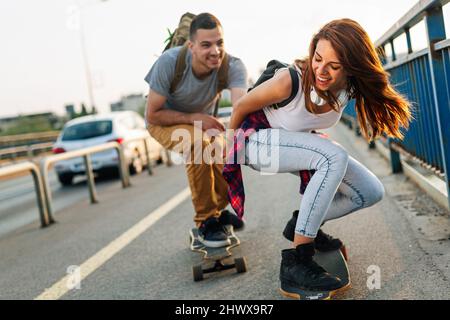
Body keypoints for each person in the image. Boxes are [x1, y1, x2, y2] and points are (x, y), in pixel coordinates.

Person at [224, 18, 412, 297]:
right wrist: (229, 154)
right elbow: (240, 108)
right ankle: (298, 260)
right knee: (332, 155)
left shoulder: (349, 88)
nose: (321, 71)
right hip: (256, 141)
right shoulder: (290, 80)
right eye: (318, 59)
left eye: (333, 66)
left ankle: (301, 224)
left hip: (292, 144)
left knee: (370, 192)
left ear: (351, 67)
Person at [145, 13, 248, 248]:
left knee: (223, 151)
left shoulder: (232, 66)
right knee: (198, 145)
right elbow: (153, 114)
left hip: (203, 123)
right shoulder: (169, 63)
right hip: (164, 122)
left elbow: (240, 108)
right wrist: (196, 118)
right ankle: (205, 221)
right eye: (206, 45)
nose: (215, 51)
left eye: (219, 43)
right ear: (191, 46)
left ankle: (219, 212)